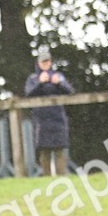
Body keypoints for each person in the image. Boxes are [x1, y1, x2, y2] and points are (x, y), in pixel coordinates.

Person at [24, 48, 75, 176]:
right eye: (43, 62)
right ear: (38, 63)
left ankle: (62, 177)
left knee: (60, 150)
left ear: (51, 62)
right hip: (41, 120)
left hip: (58, 118)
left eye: (47, 61)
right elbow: (28, 94)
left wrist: (59, 84)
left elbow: (70, 91)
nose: (46, 64)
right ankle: (46, 178)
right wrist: (39, 83)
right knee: (44, 152)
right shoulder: (33, 78)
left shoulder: (58, 76)